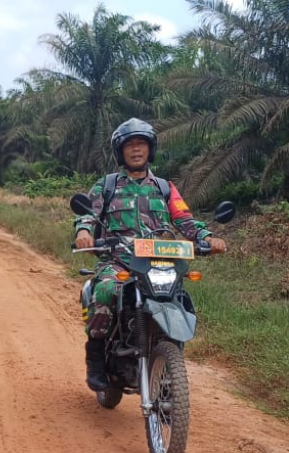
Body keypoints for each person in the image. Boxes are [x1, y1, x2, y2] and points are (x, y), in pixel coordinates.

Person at [74, 118, 227, 391]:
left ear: (150, 149)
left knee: (180, 296)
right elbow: (88, 214)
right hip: (118, 260)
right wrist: (84, 232)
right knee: (107, 290)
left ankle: (168, 356)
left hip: (158, 263)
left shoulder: (165, 188)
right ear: (121, 152)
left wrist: (207, 238)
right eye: (130, 145)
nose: (136, 150)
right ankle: (95, 357)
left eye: (141, 144)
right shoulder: (107, 185)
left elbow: (185, 220)